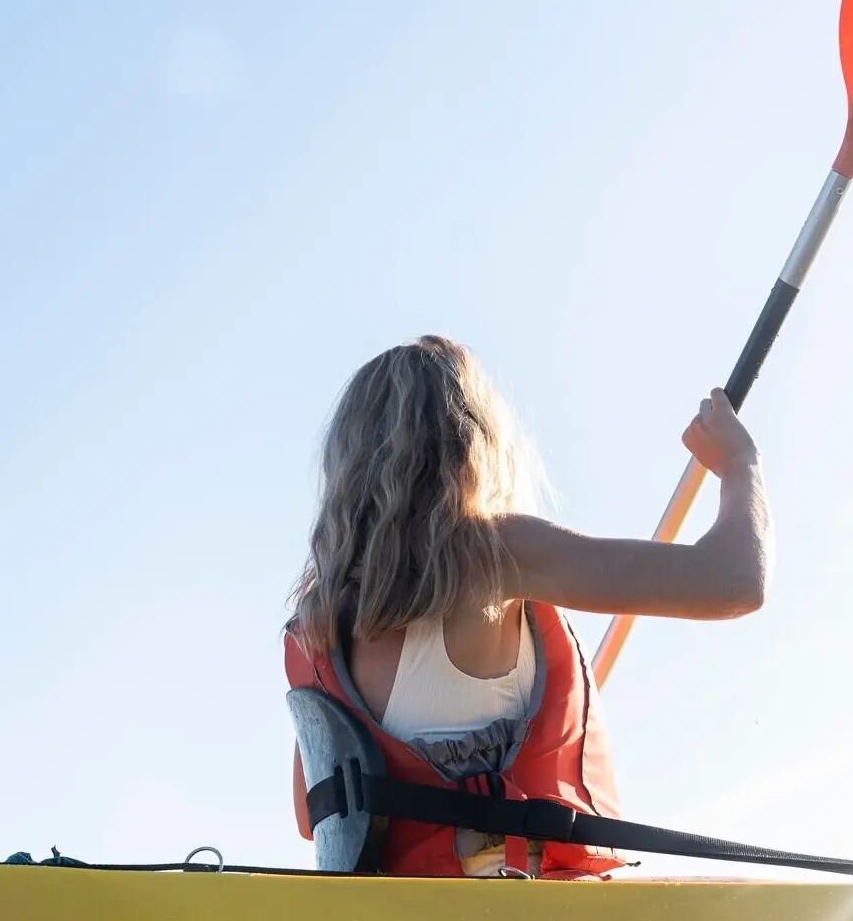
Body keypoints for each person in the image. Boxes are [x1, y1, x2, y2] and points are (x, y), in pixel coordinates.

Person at [286, 335, 770, 878]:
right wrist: (738, 463)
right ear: (476, 444)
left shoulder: (319, 623)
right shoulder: (496, 556)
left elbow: (314, 814)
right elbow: (735, 582)